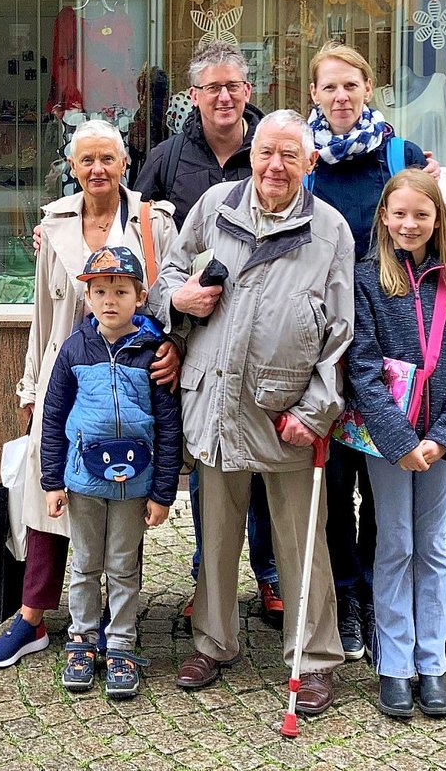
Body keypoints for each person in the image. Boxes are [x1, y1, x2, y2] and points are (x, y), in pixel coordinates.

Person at [149, 109, 354, 716]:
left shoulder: (331, 232)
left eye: (291, 155)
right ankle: (214, 642)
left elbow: (342, 335)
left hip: (285, 411)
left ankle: (313, 658)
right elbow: (168, 282)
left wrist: (316, 412)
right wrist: (177, 300)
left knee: (301, 542)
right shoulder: (215, 206)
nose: (276, 166)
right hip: (216, 400)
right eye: (267, 152)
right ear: (252, 154)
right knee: (215, 533)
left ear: (309, 163)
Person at [0, 119, 180, 669]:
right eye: (86, 160)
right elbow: (42, 315)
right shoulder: (54, 224)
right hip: (65, 375)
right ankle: (32, 616)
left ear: (124, 165)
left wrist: (174, 348)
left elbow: (171, 297)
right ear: (72, 168)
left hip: (131, 379)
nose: (97, 170)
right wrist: (29, 385)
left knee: (119, 494)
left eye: (107, 159)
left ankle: (117, 629)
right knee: (47, 499)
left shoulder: (152, 222)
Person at [134, 41, 282, 630]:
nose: (224, 96)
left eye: (234, 86)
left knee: (270, 458)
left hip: (267, 334)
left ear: (249, 91)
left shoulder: (271, 152)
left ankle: (270, 578)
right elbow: (131, 230)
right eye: (211, 88)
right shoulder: (168, 159)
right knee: (212, 463)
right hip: (199, 335)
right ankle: (208, 576)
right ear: (192, 98)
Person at [306, 41, 432, 662]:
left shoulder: (400, 155)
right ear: (314, 95)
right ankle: (346, 598)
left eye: (350, 85)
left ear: (367, 89)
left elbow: (431, 241)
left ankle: (387, 599)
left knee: (386, 480)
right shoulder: (300, 161)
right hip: (326, 345)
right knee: (332, 486)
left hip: (392, 347)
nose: (341, 97)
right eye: (329, 87)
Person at [347, 170, 446, 719]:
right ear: (384, 216)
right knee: (395, 545)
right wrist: (400, 440)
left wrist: (442, 437)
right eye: (399, 214)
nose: (409, 224)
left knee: (431, 548)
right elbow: (362, 369)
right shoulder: (367, 280)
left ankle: (433, 660)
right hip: (389, 441)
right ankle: (395, 663)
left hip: (438, 442)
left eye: (420, 215)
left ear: (437, 220)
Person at [40, 246, 181, 698]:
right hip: (83, 480)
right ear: (88, 297)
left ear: (140, 296)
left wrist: (163, 492)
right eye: (99, 291)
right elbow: (54, 415)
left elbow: (168, 424)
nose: (109, 301)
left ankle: (120, 642)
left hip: (134, 484)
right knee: (84, 564)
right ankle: (82, 639)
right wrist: (52, 480)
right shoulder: (74, 349)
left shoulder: (153, 352)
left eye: (120, 291)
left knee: (122, 566)